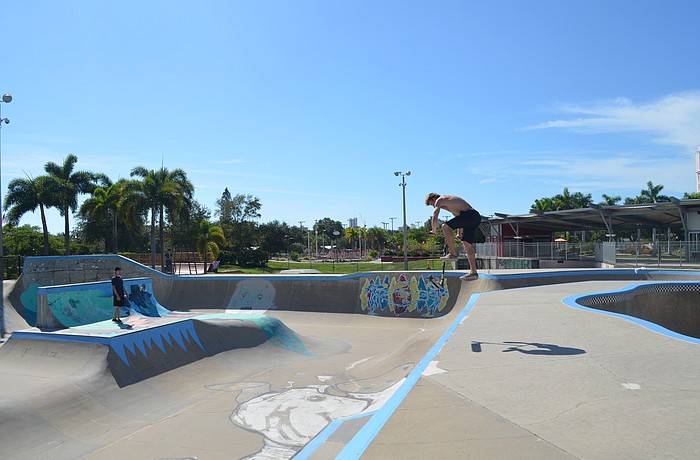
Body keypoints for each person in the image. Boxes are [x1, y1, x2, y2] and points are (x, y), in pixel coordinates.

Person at [425, 192, 481, 280]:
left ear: (433, 199)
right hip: (475, 217)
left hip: (470, 215)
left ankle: (452, 254)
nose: (433, 206)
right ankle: (473, 272)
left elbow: (435, 216)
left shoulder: (440, 200)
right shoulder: (452, 204)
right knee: (467, 244)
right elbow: (459, 219)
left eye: (432, 204)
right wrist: (459, 233)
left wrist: (434, 230)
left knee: (445, 227)